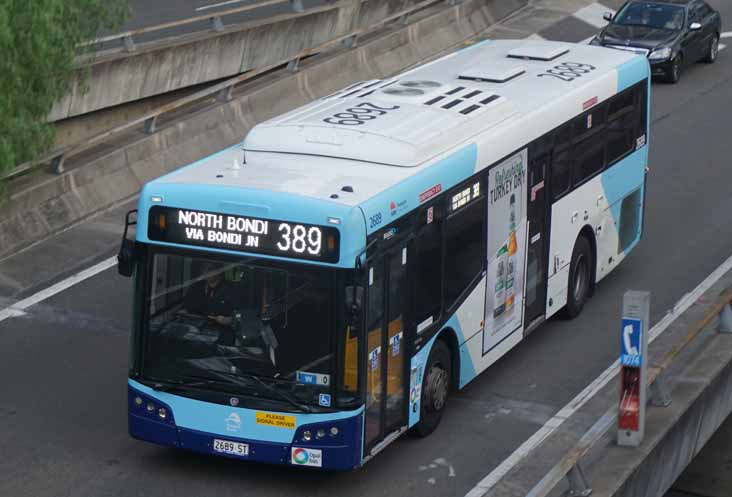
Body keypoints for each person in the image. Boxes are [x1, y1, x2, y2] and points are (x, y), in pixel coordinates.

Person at [183, 261, 236, 327]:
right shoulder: (195, 287)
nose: (205, 271)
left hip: (222, 329)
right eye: (203, 268)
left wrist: (230, 320)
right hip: (195, 328)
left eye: (210, 269)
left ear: (218, 270)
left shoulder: (230, 289)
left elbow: (239, 314)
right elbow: (187, 306)